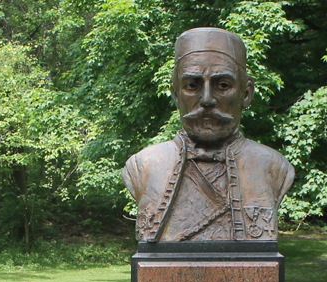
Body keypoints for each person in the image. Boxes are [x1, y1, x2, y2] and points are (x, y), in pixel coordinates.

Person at [122, 27, 294, 242]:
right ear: (175, 93)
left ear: (246, 93)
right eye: (192, 86)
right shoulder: (144, 165)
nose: (206, 100)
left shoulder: (272, 165)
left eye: (223, 85)